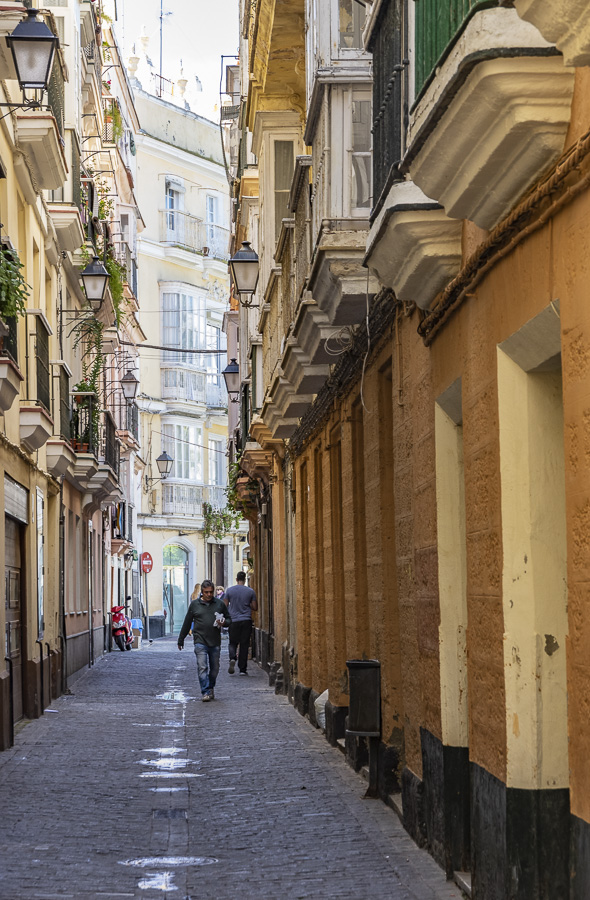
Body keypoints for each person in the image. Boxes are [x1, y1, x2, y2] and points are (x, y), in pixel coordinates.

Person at [177, 579, 231, 701]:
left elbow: (229, 620)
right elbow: (187, 623)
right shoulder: (195, 605)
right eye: (206, 592)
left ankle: (211, 687)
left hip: (215, 641)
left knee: (215, 668)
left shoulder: (219, 604)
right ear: (202, 592)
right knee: (202, 666)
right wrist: (181, 640)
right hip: (199, 640)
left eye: (211, 592)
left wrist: (223, 623)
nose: (209, 594)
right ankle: (205, 692)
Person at [225, 572, 257, 676]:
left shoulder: (229, 590)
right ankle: (242, 669)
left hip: (233, 620)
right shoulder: (250, 591)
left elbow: (224, 605)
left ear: (236, 579)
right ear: (245, 579)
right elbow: (255, 607)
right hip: (246, 620)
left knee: (232, 642)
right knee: (244, 644)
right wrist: (247, 604)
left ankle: (233, 657)